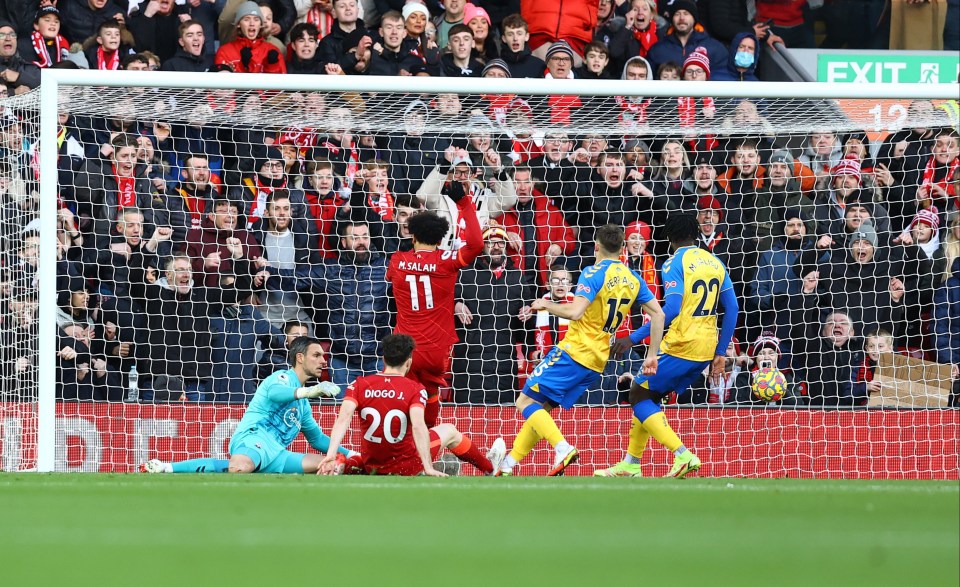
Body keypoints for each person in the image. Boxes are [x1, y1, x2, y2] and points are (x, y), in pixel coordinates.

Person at [495, 224, 665, 476]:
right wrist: (651, 355)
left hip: (574, 352)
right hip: (598, 361)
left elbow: (574, 312)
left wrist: (546, 304)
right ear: (622, 247)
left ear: (596, 245)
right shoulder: (633, 278)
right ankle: (508, 465)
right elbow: (659, 314)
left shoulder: (592, 272)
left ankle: (562, 448)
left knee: (524, 401)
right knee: (540, 409)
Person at [595, 212, 739, 478]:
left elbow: (670, 308)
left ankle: (682, 454)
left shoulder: (673, 263)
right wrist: (720, 352)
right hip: (707, 345)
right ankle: (630, 463)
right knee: (647, 393)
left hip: (683, 343)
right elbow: (732, 307)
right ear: (696, 234)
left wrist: (633, 338)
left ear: (670, 237)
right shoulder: (715, 262)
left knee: (637, 393)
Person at [141, 336, 350, 474]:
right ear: (300, 358)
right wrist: (310, 391)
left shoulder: (303, 405)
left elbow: (317, 438)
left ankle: (166, 467)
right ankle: (168, 468)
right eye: (317, 355)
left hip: (277, 453)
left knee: (329, 465)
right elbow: (277, 394)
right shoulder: (282, 378)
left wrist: (351, 454)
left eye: (323, 355)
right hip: (254, 437)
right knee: (240, 467)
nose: (324, 361)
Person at [318, 333, 507, 476]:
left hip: (372, 463)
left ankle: (343, 463)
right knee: (449, 430)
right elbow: (418, 425)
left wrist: (330, 453)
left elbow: (343, 419)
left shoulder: (358, 384)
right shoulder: (415, 389)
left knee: (362, 457)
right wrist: (428, 467)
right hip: (406, 466)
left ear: (383, 359)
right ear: (409, 362)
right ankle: (491, 469)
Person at [388, 181, 484, 427]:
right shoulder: (447, 262)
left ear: (414, 235)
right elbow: (476, 245)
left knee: (403, 395)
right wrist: (464, 204)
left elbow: (393, 276)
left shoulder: (397, 261)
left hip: (405, 346)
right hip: (436, 348)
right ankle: (429, 438)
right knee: (430, 394)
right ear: (441, 239)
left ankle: (401, 445)